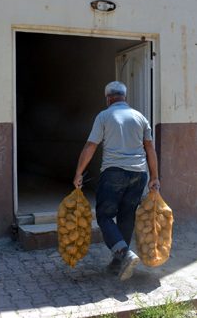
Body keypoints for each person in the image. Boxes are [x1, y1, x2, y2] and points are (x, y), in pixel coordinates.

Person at [73, 81, 160, 281]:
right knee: (126, 216)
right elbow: (150, 149)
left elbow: (90, 146)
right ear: (124, 97)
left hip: (113, 174)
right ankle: (118, 262)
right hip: (139, 174)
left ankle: (124, 253)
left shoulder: (104, 116)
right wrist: (154, 177)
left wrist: (79, 172)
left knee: (104, 216)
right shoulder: (140, 117)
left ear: (108, 98)